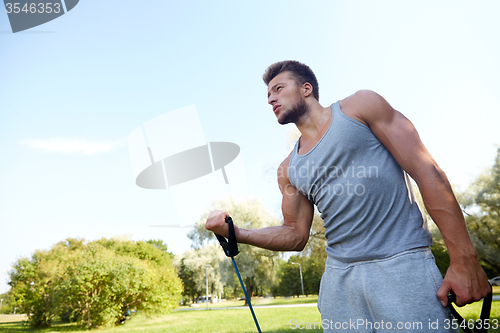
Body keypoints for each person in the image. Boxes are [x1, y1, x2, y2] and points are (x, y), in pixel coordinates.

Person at [205, 60, 490, 332]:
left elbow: (427, 172)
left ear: (307, 88)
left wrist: (463, 258)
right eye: (267, 94)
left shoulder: (360, 107)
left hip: (401, 265)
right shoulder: (288, 169)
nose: (270, 99)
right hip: (340, 283)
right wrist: (237, 232)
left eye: (278, 88)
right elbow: (294, 234)